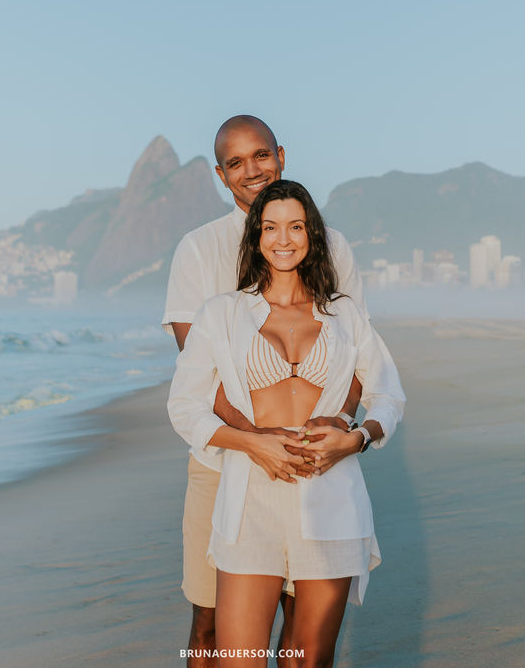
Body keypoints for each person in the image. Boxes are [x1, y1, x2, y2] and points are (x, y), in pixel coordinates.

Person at [164, 116, 382, 667]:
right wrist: (257, 440)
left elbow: (355, 349)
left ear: (280, 156)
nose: (252, 170)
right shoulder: (198, 248)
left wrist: (338, 425)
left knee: (300, 632)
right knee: (214, 626)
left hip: (311, 467)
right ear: (221, 174)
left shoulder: (331, 244)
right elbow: (198, 371)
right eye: (235, 162)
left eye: (261, 155)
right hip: (222, 462)